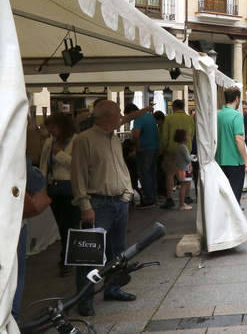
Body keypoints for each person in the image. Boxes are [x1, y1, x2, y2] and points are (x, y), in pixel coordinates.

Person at [71, 100, 143, 316]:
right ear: (105, 116)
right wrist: (85, 205)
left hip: (119, 202)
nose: (121, 116)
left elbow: (121, 168)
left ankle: (113, 288)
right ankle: (84, 299)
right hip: (97, 203)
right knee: (89, 254)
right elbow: (78, 175)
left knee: (117, 251)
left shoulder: (113, 138)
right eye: (118, 113)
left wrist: (127, 193)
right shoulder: (84, 140)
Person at [40, 113, 80, 276]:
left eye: (53, 126)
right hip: (54, 189)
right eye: (48, 127)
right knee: (62, 226)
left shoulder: (77, 141)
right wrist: (41, 188)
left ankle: (67, 259)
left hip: (71, 188)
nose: (50, 130)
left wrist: (59, 154)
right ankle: (68, 256)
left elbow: (77, 165)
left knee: (69, 226)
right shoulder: (49, 142)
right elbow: (43, 166)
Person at [14, 158, 50, 321]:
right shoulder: (10, 142)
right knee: (15, 275)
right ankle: (10, 321)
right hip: (9, 222)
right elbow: (36, 180)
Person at [216, 87, 247, 203]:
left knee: (224, 196)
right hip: (235, 162)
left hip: (220, 160)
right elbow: (238, 139)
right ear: (237, 98)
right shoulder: (237, 115)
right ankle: (233, 220)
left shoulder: (218, 114)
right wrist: (246, 162)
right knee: (235, 195)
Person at [160, 100, 194, 208]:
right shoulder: (190, 119)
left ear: (174, 107)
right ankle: (187, 197)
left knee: (170, 175)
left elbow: (164, 136)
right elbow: (192, 134)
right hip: (186, 150)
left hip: (171, 150)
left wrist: (162, 149)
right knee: (187, 176)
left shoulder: (168, 118)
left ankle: (169, 198)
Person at [126, 104, 159, 208]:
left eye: (128, 115)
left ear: (132, 112)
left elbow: (136, 135)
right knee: (152, 174)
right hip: (154, 148)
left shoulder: (138, 118)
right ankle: (153, 197)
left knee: (144, 174)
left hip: (144, 149)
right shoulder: (150, 116)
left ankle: (148, 200)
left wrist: (137, 148)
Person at [172, 129, 193, 211]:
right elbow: (188, 159)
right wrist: (193, 158)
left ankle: (182, 203)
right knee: (183, 186)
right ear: (183, 137)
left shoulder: (178, 147)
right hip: (185, 169)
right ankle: (181, 204)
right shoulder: (183, 147)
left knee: (183, 186)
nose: (188, 137)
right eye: (187, 135)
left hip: (180, 168)